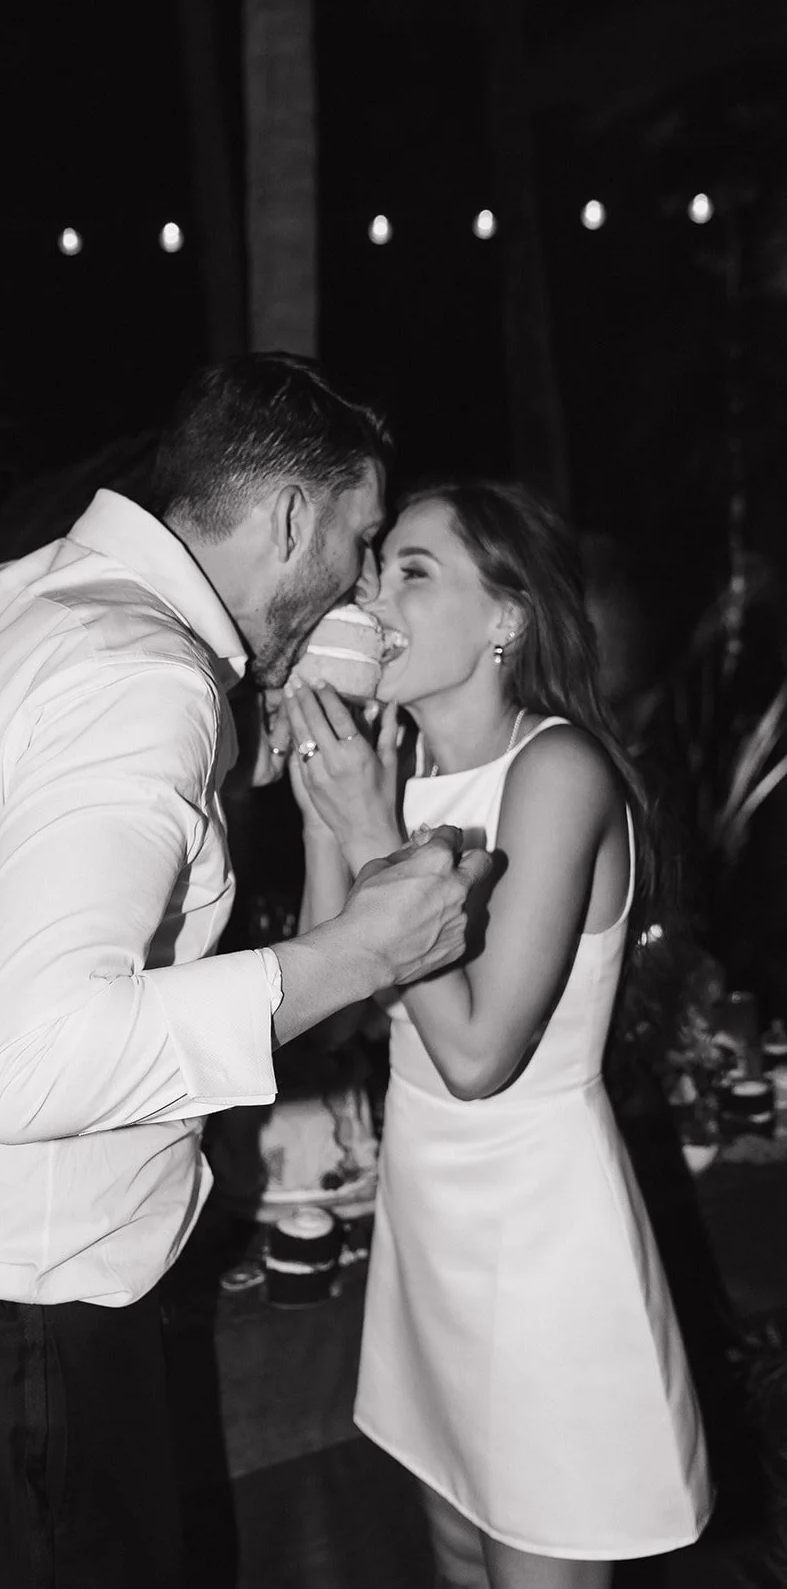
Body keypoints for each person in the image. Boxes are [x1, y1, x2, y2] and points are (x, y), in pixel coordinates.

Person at [0, 355, 491, 1589]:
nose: (362, 584)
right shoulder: (136, 677)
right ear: (290, 517)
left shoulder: (17, 600)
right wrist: (351, 955)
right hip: (29, 1322)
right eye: (358, 541)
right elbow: (41, 1064)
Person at [283, 479, 713, 1589]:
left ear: (506, 622)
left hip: (536, 1236)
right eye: (377, 572)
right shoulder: (408, 778)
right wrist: (322, 797)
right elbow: (331, 989)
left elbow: (478, 1056)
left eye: (414, 572)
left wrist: (374, 830)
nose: (375, 595)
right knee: (461, 1553)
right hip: (430, 1218)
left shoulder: (556, 771)